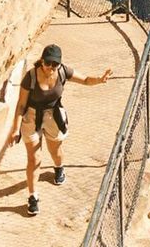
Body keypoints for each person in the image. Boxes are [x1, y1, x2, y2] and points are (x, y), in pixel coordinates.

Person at [7, 42, 112, 216]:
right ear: (41, 61)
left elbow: (85, 80)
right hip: (32, 117)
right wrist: (15, 129)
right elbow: (21, 105)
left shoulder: (63, 71)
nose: (51, 67)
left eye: (55, 64)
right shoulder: (30, 77)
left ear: (60, 63)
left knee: (55, 150)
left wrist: (99, 80)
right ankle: (33, 197)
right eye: (48, 63)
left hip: (53, 115)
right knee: (34, 159)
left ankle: (59, 166)